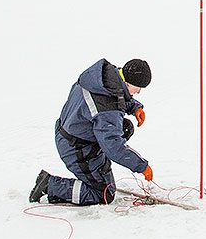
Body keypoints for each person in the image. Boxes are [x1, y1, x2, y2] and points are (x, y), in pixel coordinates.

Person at [29, 58, 153, 205]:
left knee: (124, 128)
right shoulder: (108, 107)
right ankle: (50, 185)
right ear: (127, 83)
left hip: (70, 130)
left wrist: (134, 107)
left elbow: (113, 96)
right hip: (76, 148)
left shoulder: (102, 77)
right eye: (138, 88)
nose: (138, 92)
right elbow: (113, 146)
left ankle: (97, 166)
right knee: (103, 194)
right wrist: (141, 166)